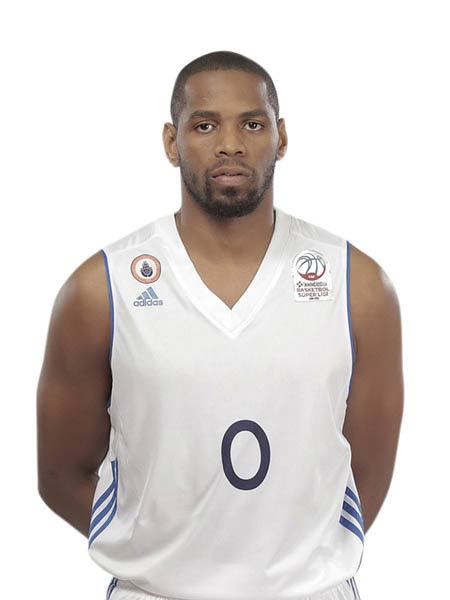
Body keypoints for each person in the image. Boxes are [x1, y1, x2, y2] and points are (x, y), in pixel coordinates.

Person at [37, 50, 404, 600]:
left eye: (251, 124)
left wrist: (289, 563)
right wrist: (164, 554)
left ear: (281, 137)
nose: (230, 144)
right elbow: (60, 474)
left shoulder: (358, 285)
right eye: (205, 125)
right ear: (171, 142)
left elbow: (365, 474)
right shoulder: (100, 289)